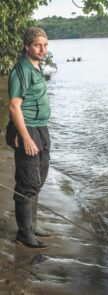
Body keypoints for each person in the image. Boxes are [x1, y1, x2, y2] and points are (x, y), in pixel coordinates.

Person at [7, 27, 52, 249]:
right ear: (27, 46)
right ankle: (24, 233)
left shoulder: (36, 66)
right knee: (27, 182)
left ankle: (32, 225)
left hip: (41, 128)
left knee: (39, 178)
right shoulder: (21, 70)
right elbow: (14, 106)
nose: (43, 49)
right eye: (38, 45)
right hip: (28, 130)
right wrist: (25, 138)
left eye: (45, 45)